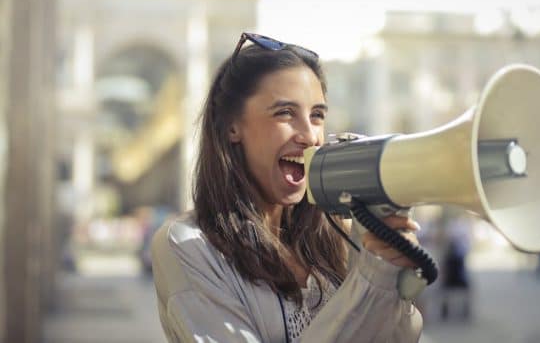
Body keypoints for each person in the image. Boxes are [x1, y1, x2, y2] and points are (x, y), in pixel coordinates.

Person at [151, 33, 423, 342]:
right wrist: (370, 280)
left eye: (317, 115)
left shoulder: (340, 235)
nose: (309, 136)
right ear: (232, 126)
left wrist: (391, 272)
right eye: (285, 113)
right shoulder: (188, 244)